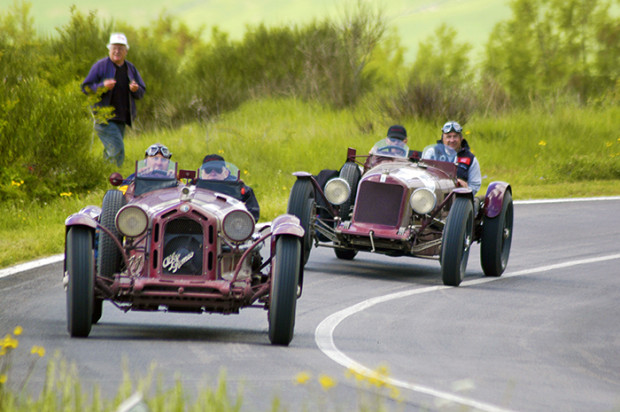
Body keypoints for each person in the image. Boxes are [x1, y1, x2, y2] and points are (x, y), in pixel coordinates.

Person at [82, 32, 146, 167]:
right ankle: (114, 179)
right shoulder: (100, 66)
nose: (117, 51)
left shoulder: (130, 68)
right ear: (109, 49)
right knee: (117, 150)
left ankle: (102, 178)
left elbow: (141, 91)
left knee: (110, 152)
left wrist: (135, 89)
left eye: (121, 48)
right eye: (114, 48)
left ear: (126, 51)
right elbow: (86, 88)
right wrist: (102, 86)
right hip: (103, 118)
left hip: (122, 118)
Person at [200, 154, 260, 221]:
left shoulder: (236, 187)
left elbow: (253, 213)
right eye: (208, 170)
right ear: (202, 173)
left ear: (226, 172)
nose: (213, 173)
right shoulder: (194, 186)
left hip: (230, 225)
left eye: (218, 169)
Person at [437, 120, 482, 195]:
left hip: (460, 199)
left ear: (461, 138)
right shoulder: (433, 154)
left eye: (455, 136)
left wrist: (464, 188)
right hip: (435, 196)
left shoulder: (470, 158)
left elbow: (475, 185)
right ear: (443, 139)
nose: (452, 140)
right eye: (448, 137)